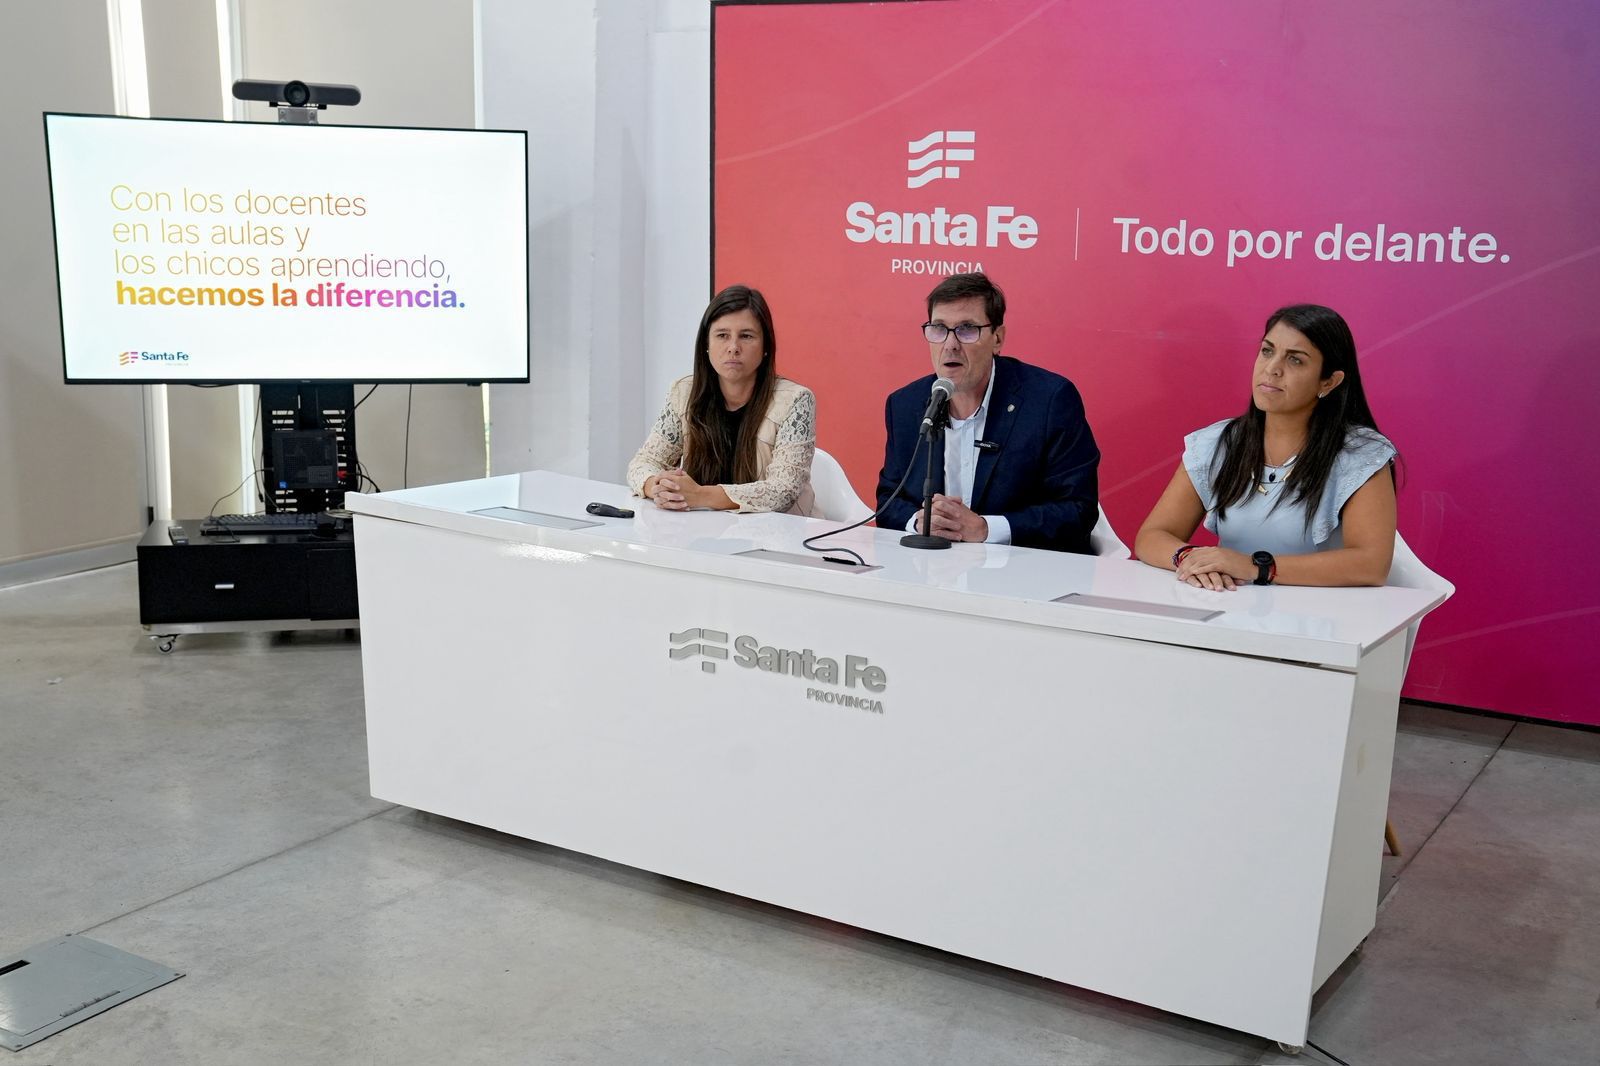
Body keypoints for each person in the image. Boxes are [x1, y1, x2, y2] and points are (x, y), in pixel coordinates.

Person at [1134, 304, 1397, 589]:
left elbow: (1371, 565)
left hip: (1321, 612)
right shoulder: (1216, 443)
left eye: (1295, 360)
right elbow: (1152, 536)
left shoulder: (1361, 455)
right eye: (1267, 351)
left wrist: (1256, 567)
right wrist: (1188, 557)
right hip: (1230, 604)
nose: (1272, 369)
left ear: (1329, 382)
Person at [875, 272, 1100, 552]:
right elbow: (888, 500)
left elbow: (1078, 511)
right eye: (939, 328)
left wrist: (985, 529)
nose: (950, 344)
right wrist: (921, 522)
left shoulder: (1049, 401)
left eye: (967, 329)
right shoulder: (905, 405)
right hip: (933, 567)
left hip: (1021, 568)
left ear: (997, 338)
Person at [628, 284, 816, 514]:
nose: (733, 347)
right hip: (702, 528)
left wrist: (700, 495)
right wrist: (658, 487)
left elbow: (783, 490)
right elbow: (644, 462)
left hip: (777, 532)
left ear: (766, 346)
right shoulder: (683, 392)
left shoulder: (796, 400)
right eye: (722, 335)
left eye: (746, 336)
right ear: (706, 345)